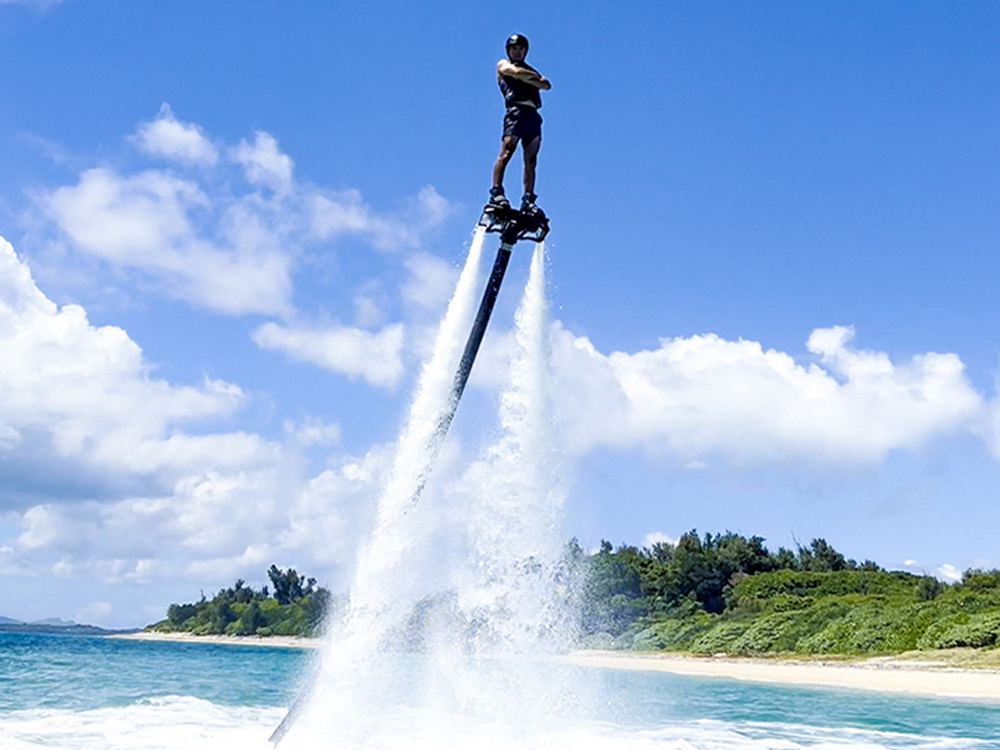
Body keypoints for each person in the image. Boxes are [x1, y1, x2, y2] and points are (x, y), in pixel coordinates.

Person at [489, 34, 551, 214]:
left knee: (531, 159)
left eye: (521, 49)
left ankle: (528, 198)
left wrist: (529, 77)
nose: (517, 52)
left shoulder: (529, 69)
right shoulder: (503, 64)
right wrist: (533, 78)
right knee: (507, 152)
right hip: (515, 113)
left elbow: (546, 85)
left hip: (532, 115)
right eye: (514, 49)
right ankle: (496, 192)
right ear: (508, 50)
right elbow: (515, 73)